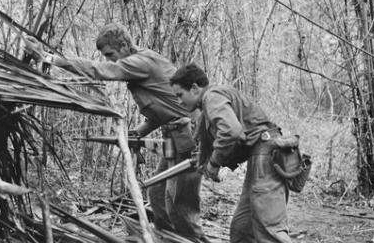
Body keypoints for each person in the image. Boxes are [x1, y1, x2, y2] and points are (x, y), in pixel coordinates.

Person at [24, 24, 207, 242]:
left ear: (123, 45)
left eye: (111, 54)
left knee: (180, 205)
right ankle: (169, 240)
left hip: (187, 137)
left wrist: (51, 59)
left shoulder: (142, 62)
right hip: (173, 136)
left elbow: (99, 70)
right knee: (158, 196)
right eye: (107, 56)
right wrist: (138, 132)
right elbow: (164, 109)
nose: (110, 60)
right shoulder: (140, 63)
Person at [169, 63, 291, 243]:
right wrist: (206, 162)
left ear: (195, 88)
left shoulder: (212, 97)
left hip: (267, 155)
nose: (179, 101)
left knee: (269, 231)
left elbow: (231, 131)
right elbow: (210, 140)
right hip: (259, 158)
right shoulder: (207, 106)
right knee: (242, 229)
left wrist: (214, 163)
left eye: (180, 95)